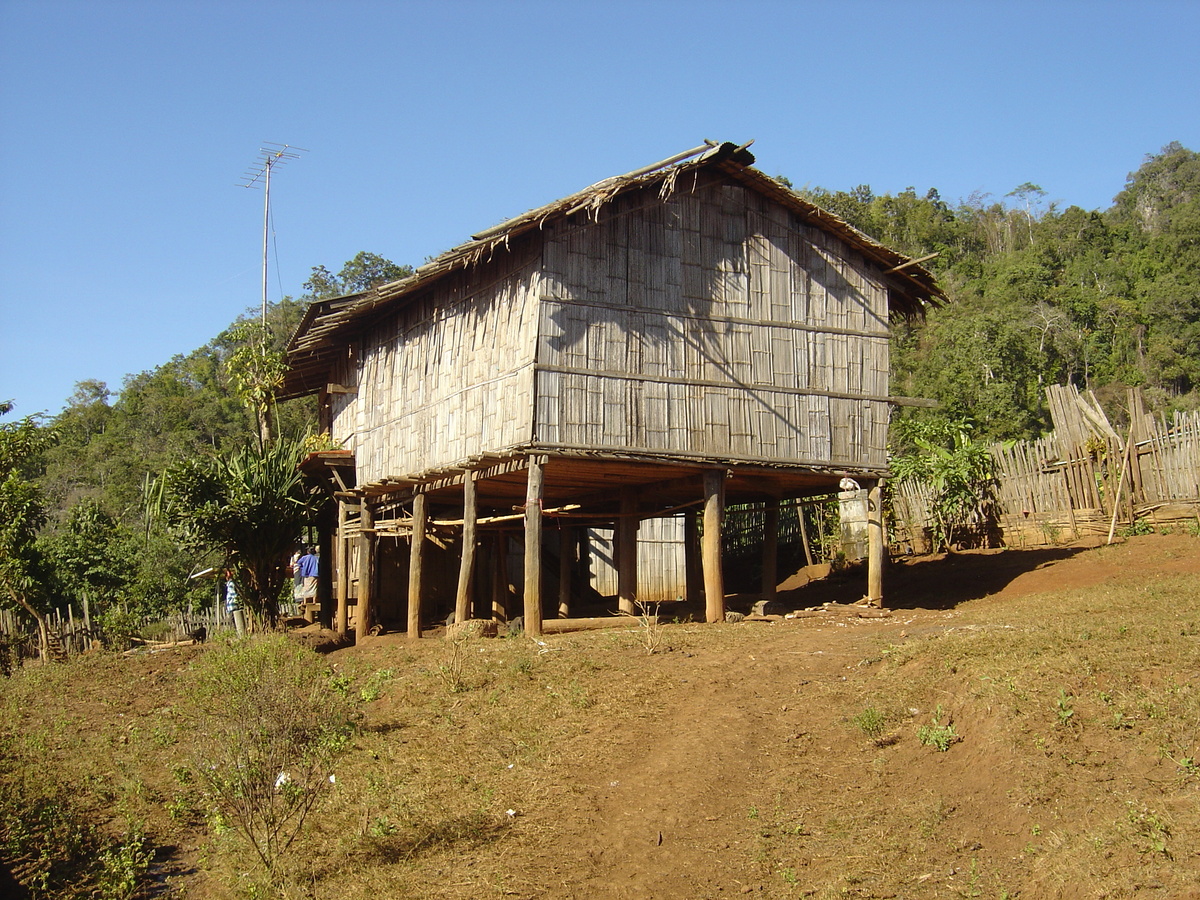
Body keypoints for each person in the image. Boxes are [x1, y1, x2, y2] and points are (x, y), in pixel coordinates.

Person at [297, 546, 319, 619]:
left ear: (308, 552)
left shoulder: (305, 557)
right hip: (314, 574)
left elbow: (298, 563)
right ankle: (314, 600)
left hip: (306, 574)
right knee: (314, 587)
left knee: (306, 588)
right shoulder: (316, 558)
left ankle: (305, 601)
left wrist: (303, 568)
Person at [225, 569, 246, 637]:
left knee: (234, 621)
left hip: (232, 605)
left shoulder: (231, 584)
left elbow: (233, 594)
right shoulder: (231, 584)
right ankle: (238, 634)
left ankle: (238, 635)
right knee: (233, 621)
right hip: (231, 605)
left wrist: (235, 600)